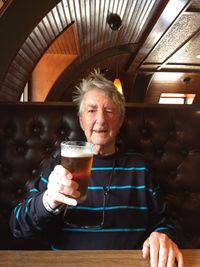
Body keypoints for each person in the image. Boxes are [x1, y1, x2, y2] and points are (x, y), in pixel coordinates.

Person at [10, 70, 184, 267]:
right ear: (81, 119)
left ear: (120, 121)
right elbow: (17, 226)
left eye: (109, 111)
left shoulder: (139, 167)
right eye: (92, 110)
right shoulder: (59, 164)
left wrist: (162, 235)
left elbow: (166, 221)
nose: (100, 120)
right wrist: (48, 201)